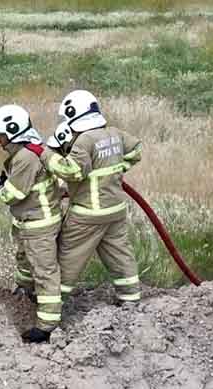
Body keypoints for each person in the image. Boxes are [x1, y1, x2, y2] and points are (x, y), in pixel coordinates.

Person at [46, 90, 143, 305]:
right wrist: (118, 170)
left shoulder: (84, 140)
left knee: (68, 256)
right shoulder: (115, 133)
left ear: (73, 115)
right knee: (120, 254)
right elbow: (136, 150)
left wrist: (47, 157)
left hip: (88, 214)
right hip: (115, 211)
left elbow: (74, 172)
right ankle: (130, 299)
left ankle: (51, 301)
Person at [0, 104, 65, 344]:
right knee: (24, 260)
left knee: (44, 270)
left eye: (0, 135)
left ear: (13, 132)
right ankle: (25, 291)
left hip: (39, 223)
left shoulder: (26, 157)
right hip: (28, 221)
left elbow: (13, 194)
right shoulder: (22, 153)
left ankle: (46, 326)